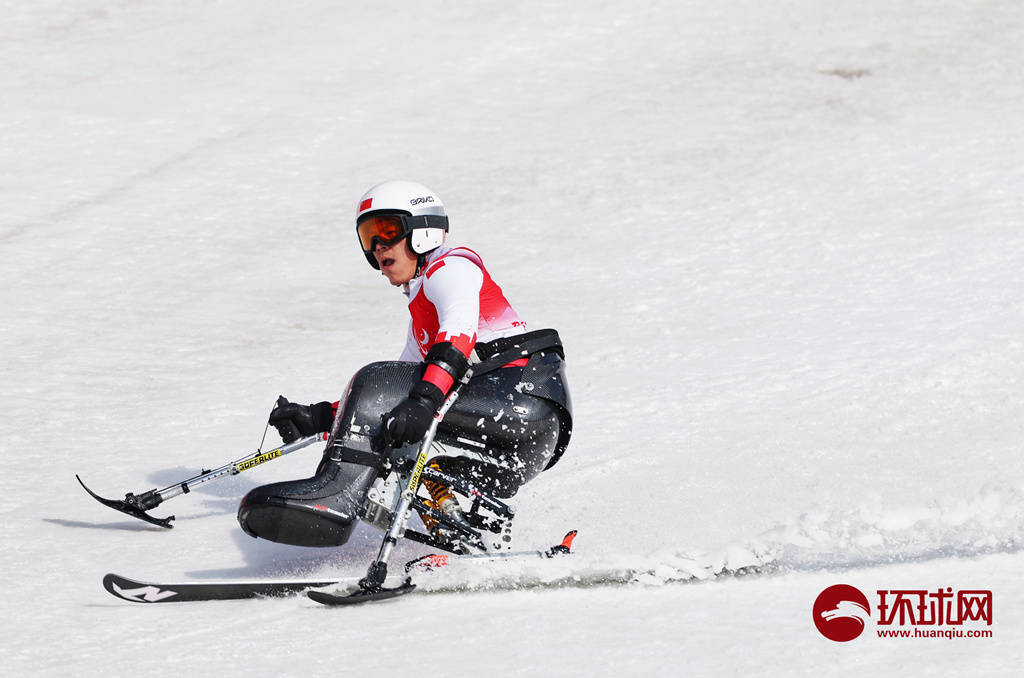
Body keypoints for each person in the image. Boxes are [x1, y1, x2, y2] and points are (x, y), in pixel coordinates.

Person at [237, 181, 572, 549]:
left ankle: (335, 495)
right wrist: (318, 416)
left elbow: (457, 337)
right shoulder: (421, 312)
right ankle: (460, 541)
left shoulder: (452, 265)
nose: (378, 246)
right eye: (368, 237)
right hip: (521, 439)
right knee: (396, 418)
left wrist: (424, 403)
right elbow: (393, 393)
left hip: (522, 401)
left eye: (387, 231)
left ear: (423, 230)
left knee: (377, 380)